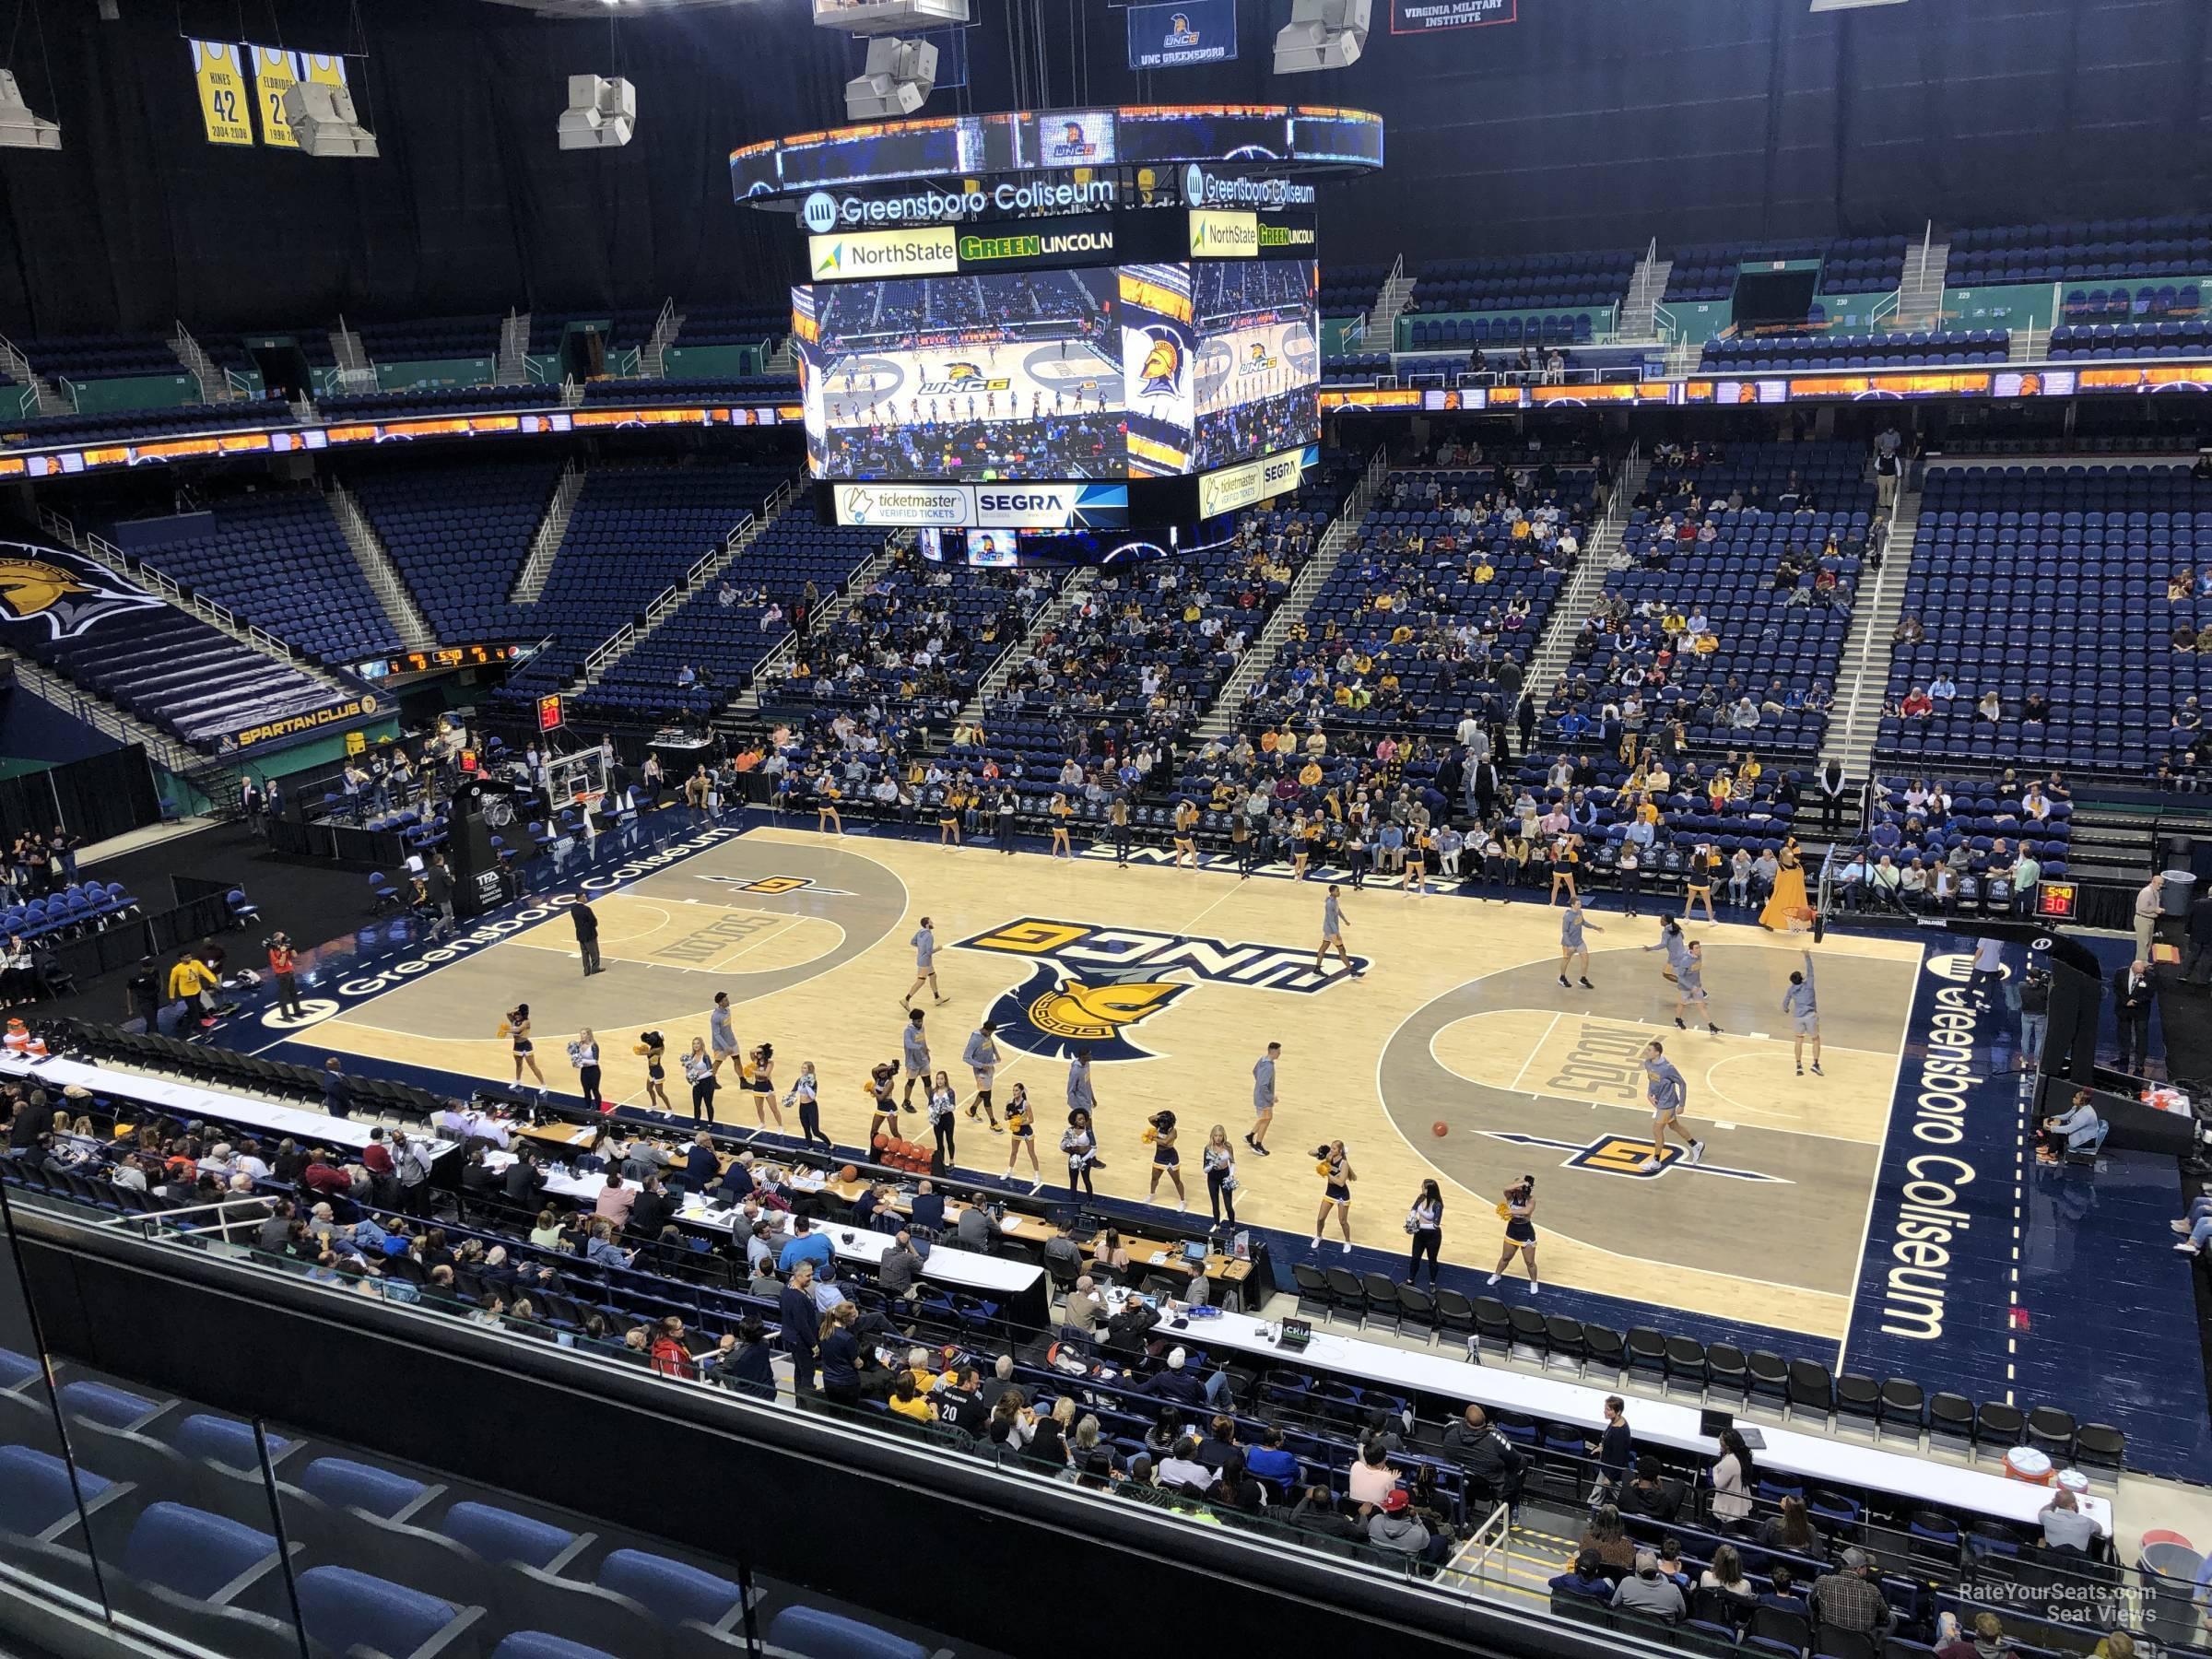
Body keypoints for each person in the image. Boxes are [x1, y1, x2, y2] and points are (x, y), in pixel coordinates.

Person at [1441, 1406, 1524, 1510]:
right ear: (1485, 1422)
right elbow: (1515, 1460)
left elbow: (1443, 1437)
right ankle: (1510, 1506)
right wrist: (1498, 1434)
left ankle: (1468, 1503)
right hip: (1485, 1489)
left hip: (1456, 1481)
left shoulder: (1450, 1429)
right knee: (1522, 1462)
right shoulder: (1496, 1440)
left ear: (1465, 1420)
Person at [1641, 1040, 1703, 1172]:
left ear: (1657, 1053)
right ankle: (1696, 1145)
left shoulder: (1668, 1068)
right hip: (1660, 1101)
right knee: (1674, 1126)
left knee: (1657, 1130)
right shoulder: (1647, 1063)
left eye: (1649, 1050)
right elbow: (1651, 1079)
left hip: (1668, 1103)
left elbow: (1682, 1084)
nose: (1646, 1052)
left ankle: (1656, 1161)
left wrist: (1682, 1104)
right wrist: (1650, 1093)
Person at [1809, 1547, 1892, 1639]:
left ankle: (1813, 1635)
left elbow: (1812, 1603)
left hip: (1827, 1639)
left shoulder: (1823, 1581)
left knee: (1811, 1598)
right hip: (1860, 1645)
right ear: (1859, 1569)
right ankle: (1876, 1649)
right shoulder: (1873, 1591)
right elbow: (1885, 1618)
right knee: (1892, 1619)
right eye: (1865, 1566)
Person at [1486, 1173, 1538, 1290]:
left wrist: (1510, 1212)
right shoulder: (1510, 1196)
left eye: (1524, 1186)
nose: (1522, 1188)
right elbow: (1505, 1189)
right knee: (1505, 1258)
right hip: (1512, 1230)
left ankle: (1534, 1282)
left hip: (1526, 1232)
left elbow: (1526, 1211)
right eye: (1519, 1186)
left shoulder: (1531, 1199)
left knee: (1530, 1262)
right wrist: (1521, 1183)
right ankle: (1496, 1275)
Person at [780, 1264, 822, 1394]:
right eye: (808, 1275)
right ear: (798, 1276)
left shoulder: (787, 1288)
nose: (811, 1278)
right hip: (800, 1341)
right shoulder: (797, 1298)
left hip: (791, 1337)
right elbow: (801, 1324)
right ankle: (806, 1402)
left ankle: (800, 1400)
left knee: (799, 1369)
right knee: (808, 1373)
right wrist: (813, 1344)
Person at [1612, 1550, 1686, 1622]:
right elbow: (1681, 1615)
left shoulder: (1626, 1582)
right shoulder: (1673, 1590)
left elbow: (1614, 1605)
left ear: (1637, 1571)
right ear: (1657, 1569)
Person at [1783, 948, 1822, 1077]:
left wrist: (1786, 1008)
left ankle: (1799, 1066)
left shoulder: (1791, 990)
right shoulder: (1809, 984)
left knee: (1798, 1040)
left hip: (1798, 1018)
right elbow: (1811, 970)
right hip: (1810, 1016)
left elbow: (1786, 1001)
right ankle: (1815, 1064)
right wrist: (1807, 956)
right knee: (1815, 1039)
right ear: (1801, 978)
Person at [2113, 959, 2157, 1074]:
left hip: (2140, 1011)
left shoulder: (2150, 977)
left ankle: (2139, 1064)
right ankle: (2123, 1058)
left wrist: (2136, 1001)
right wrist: (2126, 1001)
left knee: (2141, 1037)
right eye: (2138, 973)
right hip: (2124, 1009)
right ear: (2132, 968)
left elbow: (2150, 994)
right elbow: (2116, 989)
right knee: (2123, 1035)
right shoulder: (2120, 973)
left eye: (2142, 972)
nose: (2140, 975)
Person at [1312, 1140, 1355, 1252]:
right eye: (1331, 1148)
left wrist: (1328, 1173)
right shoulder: (1329, 1157)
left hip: (1342, 1195)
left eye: (1334, 1149)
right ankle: (1318, 1236)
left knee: (1342, 1221)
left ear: (1340, 1151)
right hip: (1330, 1192)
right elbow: (1310, 1153)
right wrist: (1320, 1149)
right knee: (1320, 1218)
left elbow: (1341, 1183)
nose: (1331, 1150)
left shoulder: (1343, 1164)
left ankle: (1347, 1241)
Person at [2041, 1089, 2105, 1161]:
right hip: (2078, 1132)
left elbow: (2069, 1129)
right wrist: (2051, 1118)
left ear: (2082, 1101)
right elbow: (2066, 1116)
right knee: (2053, 1124)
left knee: (2053, 1131)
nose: (2073, 1098)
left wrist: (2051, 1128)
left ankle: (2052, 1156)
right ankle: (2052, 1147)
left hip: (2084, 1140)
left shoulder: (2086, 1114)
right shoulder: (2077, 1107)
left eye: (2076, 1098)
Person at [1313, 884, 1361, 980]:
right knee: (1342, 950)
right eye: (1337, 891)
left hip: (1328, 929)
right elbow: (1331, 920)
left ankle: (1317, 969)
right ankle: (1352, 971)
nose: (1339, 892)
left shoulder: (1334, 900)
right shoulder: (1330, 903)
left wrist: (1345, 920)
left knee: (1323, 948)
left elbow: (1338, 911)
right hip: (1331, 930)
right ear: (1332, 892)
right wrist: (1337, 933)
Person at [1712, 1426, 1755, 1530]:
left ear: (1728, 1445)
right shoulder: (1740, 1456)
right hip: (1736, 1499)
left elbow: (1718, 1483)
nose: (1719, 1442)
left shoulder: (1730, 1461)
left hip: (1729, 1507)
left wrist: (1715, 1470)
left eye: (1721, 1440)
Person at [2039, 1487, 2106, 1551]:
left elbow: (2042, 1512)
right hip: (2078, 1561)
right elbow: (2099, 1530)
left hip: (2051, 1559)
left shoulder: (2047, 1517)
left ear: (2056, 1504)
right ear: (2073, 1505)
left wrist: (2054, 1503)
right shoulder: (2086, 1522)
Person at [963, 1021, 1002, 1127]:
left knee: (984, 1093)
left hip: (989, 1068)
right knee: (987, 1097)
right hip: (980, 1072)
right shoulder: (975, 1040)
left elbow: (990, 1041)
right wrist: (981, 1065)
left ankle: (972, 1110)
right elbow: (966, 1058)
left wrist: (996, 1054)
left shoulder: (987, 1035)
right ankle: (993, 1122)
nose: (990, 1035)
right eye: (989, 1033)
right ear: (984, 1029)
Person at [903, 916, 947, 1008]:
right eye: (931, 922)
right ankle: (906, 999)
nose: (933, 923)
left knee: (933, 976)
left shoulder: (920, 932)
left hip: (922, 959)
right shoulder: (929, 936)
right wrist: (938, 949)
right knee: (921, 981)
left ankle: (937, 998)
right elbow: (929, 952)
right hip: (925, 961)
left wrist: (921, 948)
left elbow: (912, 942)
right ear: (927, 924)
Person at [1559, 896, 1600, 990]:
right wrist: (1569, 945)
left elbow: (1583, 922)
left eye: (1580, 904)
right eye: (1578, 904)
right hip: (1568, 943)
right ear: (1572, 905)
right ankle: (1562, 977)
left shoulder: (1580, 912)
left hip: (1579, 941)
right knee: (1566, 959)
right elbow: (1564, 932)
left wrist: (1595, 927)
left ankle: (1583, 979)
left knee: (1586, 958)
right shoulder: (1567, 916)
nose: (1580, 905)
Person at [1937, 1610, 2018, 1659]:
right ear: (1999, 1633)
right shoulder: (2011, 1656)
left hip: (1952, 1650)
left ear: (1977, 1633)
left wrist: (1948, 1636)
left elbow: (1936, 1655)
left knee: (1946, 1619)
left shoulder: (1960, 1648)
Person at [1248, 1040, 1279, 1156]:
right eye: (1278, 1051)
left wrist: (1260, 1083)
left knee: (1263, 1118)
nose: (1279, 1054)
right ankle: (1258, 1145)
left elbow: (1255, 1071)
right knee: (1267, 1119)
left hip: (1258, 1095)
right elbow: (1263, 1085)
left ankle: (1250, 1136)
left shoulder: (1262, 1059)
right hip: (1264, 1099)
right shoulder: (1269, 1067)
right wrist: (1271, 1097)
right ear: (1273, 1052)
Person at [1202, 1124, 1238, 1225]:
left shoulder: (1228, 1146)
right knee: (1215, 1204)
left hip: (1225, 1176)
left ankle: (1232, 1227)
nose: (1218, 1138)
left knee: (1228, 1205)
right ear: (1212, 1136)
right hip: (1212, 1177)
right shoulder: (1208, 1148)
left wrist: (1231, 1175)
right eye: (1216, 1135)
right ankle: (1217, 1225)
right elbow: (1205, 1170)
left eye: (1220, 1135)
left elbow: (1232, 1162)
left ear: (1223, 1136)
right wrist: (1213, 1163)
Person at [1549, 1548, 1614, 1603]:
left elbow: (1551, 1582)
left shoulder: (1568, 1579)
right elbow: (1612, 1597)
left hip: (1569, 1609)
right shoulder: (1601, 1585)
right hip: (1590, 1614)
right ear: (1596, 1571)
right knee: (1608, 1580)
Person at [505, 1004, 546, 1089]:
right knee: (518, 1065)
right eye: (516, 1014)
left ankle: (543, 1085)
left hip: (526, 1046)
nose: (516, 1016)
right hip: (517, 1046)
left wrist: (506, 1030)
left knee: (532, 1066)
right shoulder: (514, 1021)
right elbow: (508, 1013)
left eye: (518, 1014)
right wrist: (516, 1009)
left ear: (523, 1015)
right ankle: (518, 1080)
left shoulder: (526, 1022)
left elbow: (518, 1030)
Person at [266, 933, 305, 1020]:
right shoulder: (273, 951)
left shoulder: (284, 946)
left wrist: (291, 948)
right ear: (277, 939)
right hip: (282, 974)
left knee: (293, 993)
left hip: (289, 972)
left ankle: (297, 1010)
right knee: (283, 996)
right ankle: (285, 1015)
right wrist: (283, 952)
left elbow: (295, 955)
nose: (284, 938)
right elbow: (281, 963)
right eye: (282, 937)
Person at [681, 1038, 718, 1124]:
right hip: (696, 1084)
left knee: (708, 1104)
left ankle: (710, 1123)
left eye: (698, 1043)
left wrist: (697, 1075)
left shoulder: (705, 1057)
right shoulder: (691, 1057)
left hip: (707, 1084)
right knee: (696, 1105)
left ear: (701, 1045)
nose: (696, 1045)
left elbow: (710, 1072)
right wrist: (689, 1076)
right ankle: (697, 1122)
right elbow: (688, 1070)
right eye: (694, 1044)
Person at [2135, 872, 2166, 961]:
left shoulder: (2155, 891)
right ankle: (2141, 964)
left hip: (2150, 920)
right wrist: (2156, 910)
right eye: (2159, 884)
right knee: (2143, 944)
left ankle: (2144, 962)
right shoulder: (2146, 892)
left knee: (2148, 943)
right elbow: (2142, 907)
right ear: (2153, 881)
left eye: (2162, 884)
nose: (2160, 886)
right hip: (2143, 919)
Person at [571, 895, 602, 977]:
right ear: (580, 898)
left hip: (580, 934)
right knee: (594, 952)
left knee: (584, 953)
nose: (586, 898)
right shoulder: (586, 909)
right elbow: (593, 921)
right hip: (589, 934)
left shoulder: (573, 909)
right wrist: (592, 926)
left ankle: (586, 970)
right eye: (584, 897)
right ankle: (595, 968)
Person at [572, 1028, 603, 1112]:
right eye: (581, 1034)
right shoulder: (579, 1045)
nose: (581, 1036)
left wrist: (582, 1061)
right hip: (584, 1071)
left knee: (595, 1090)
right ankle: (588, 1108)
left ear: (589, 1035)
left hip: (594, 1071)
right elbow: (577, 1059)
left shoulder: (594, 1045)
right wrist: (575, 1061)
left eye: (584, 1034)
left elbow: (595, 1061)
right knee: (586, 1091)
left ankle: (598, 1110)